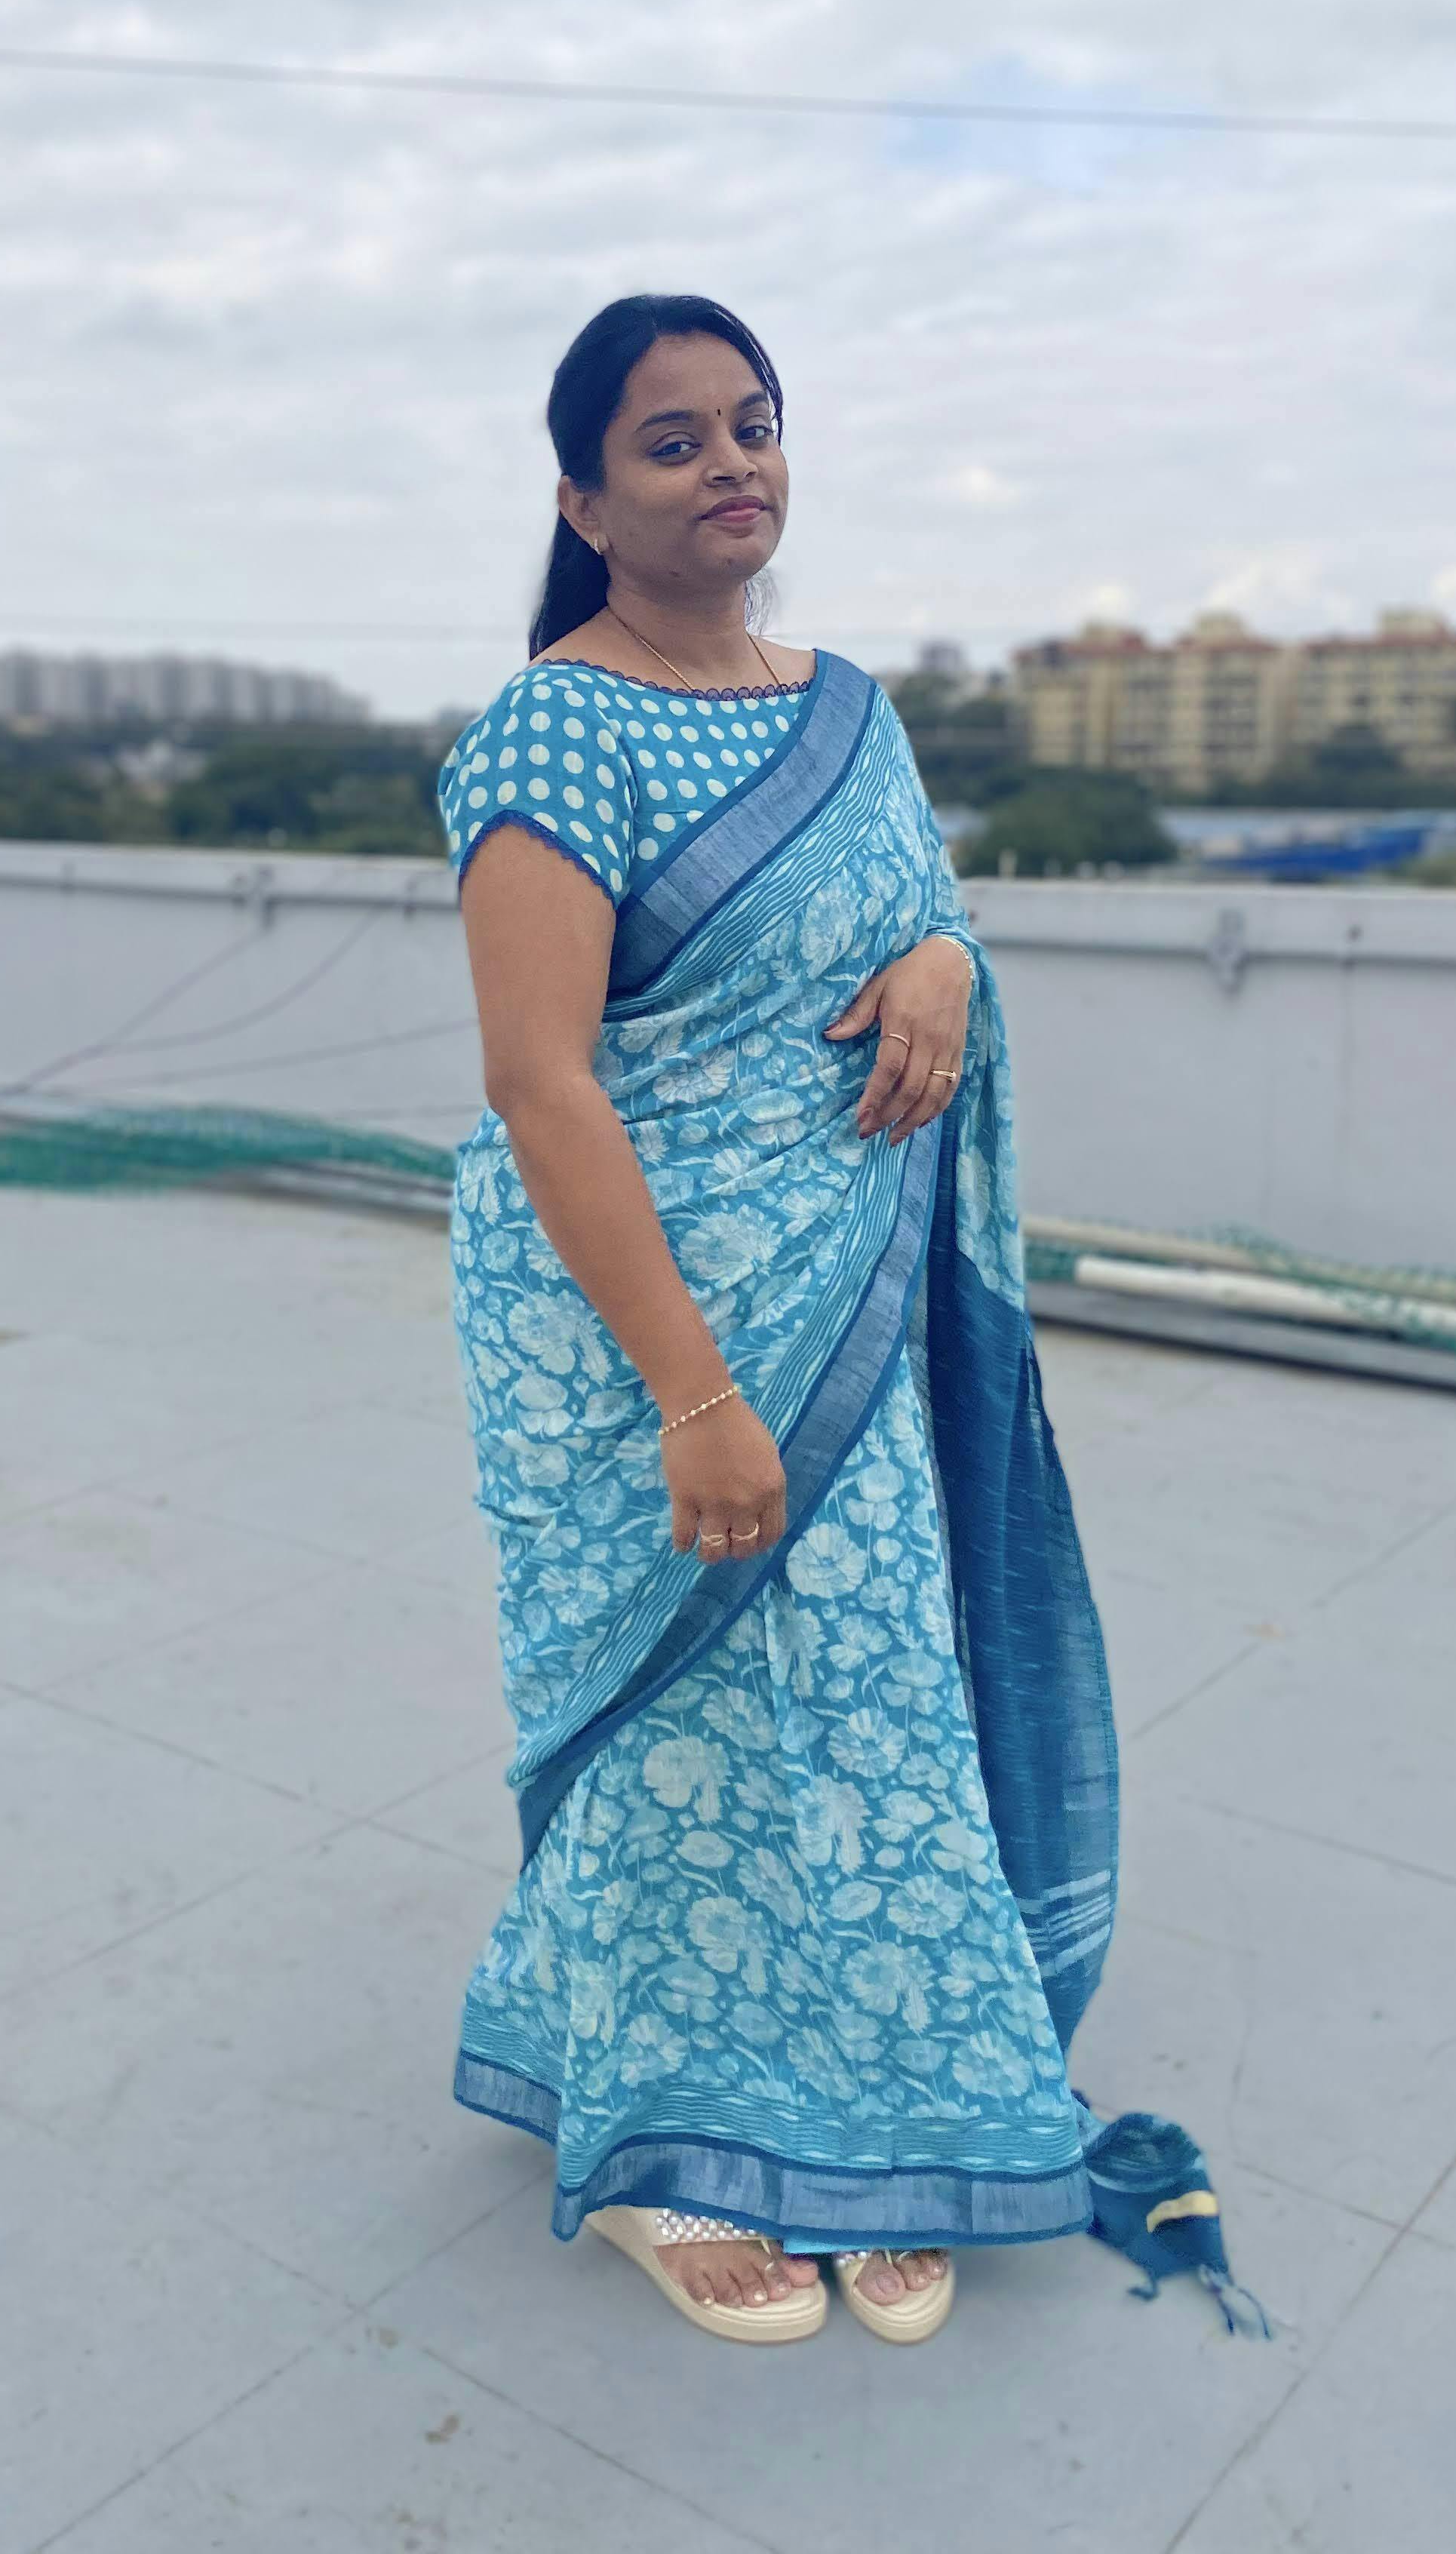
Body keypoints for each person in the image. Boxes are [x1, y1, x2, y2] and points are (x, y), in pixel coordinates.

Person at [436, 293, 1239, 2347]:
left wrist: (951, 965)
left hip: (845, 1297)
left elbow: (915, 916)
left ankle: (882, 2118)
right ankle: (652, 2143)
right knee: (674, 1731)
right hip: (637, 1335)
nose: (733, 466)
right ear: (583, 501)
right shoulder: (555, 728)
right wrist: (692, 1393)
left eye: (755, 424)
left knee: (875, 1704)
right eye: (673, 440)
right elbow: (542, 1083)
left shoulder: (850, 710)